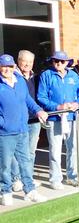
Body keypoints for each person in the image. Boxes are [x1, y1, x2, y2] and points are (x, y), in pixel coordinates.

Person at [0, 54, 48, 205]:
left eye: (9, 66)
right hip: (5, 132)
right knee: (5, 164)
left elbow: (28, 99)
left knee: (25, 162)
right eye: (3, 66)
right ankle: (5, 191)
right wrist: (3, 123)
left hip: (22, 130)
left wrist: (39, 110)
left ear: (14, 66)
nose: (7, 69)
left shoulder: (20, 80)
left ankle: (30, 190)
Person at [37, 51, 79, 189]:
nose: (59, 63)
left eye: (62, 61)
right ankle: (55, 179)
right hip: (54, 118)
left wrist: (77, 104)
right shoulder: (46, 75)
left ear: (67, 63)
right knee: (55, 149)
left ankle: (72, 176)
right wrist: (58, 107)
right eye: (56, 61)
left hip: (71, 117)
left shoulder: (73, 75)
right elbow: (41, 97)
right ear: (52, 61)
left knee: (73, 148)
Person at [10, 50, 41, 193]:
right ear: (18, 61)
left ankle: (27, 177)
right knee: (17, 153)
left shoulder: (36, 76)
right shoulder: (12, 76)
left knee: (30, 152)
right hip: (19, 120)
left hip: (34, 119)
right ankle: (16, 179)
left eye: (30, 61)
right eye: (24, 61)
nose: (27, 64)